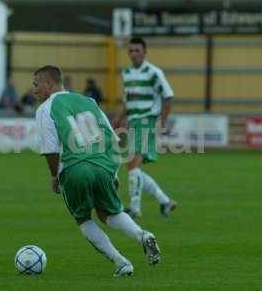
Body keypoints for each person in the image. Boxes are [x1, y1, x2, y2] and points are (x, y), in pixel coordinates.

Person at [34, 65, 161, 277]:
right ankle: (142, 234)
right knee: (108, 212)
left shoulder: (45, 109)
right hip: (103, 164)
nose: (34, 90)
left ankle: (121, 262)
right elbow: (112, 137)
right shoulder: (89, 102)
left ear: (49, 84)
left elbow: (50, 149)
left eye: (36, 85)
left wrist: (55, 177)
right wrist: (114, 173)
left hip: (75, 167)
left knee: (83, 218)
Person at [113, 37, 177, 218]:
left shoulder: (153, 72)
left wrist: (163, 121)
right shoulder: (126, 73)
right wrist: (119, 118)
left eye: (137, 50)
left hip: (146, 120)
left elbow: (168, 96)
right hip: (133, 121)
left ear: (144, 52)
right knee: (134, 167)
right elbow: (128, 100)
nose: (133, 54)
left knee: (132, 164)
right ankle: (165, 202)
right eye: (131, 50)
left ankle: (134, 209)